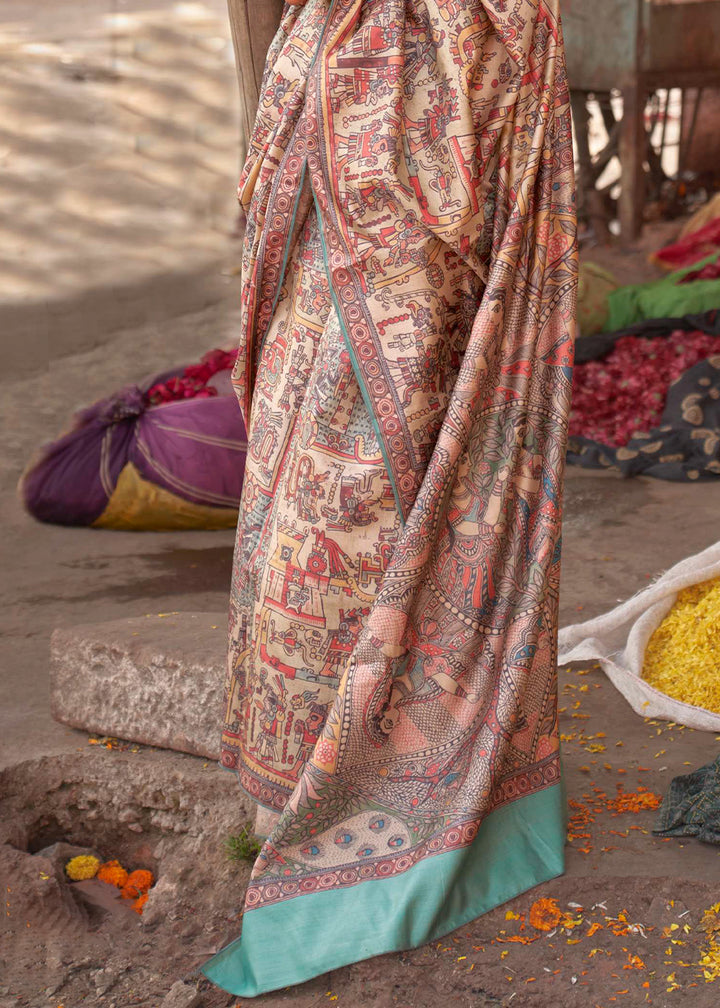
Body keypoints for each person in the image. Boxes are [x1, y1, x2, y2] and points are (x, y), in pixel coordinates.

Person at [204, 0, 577, 996]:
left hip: (457, 75)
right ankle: (293, 786)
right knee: (307, 462)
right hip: (343, 64)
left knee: (415, 432)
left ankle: (384, 792)